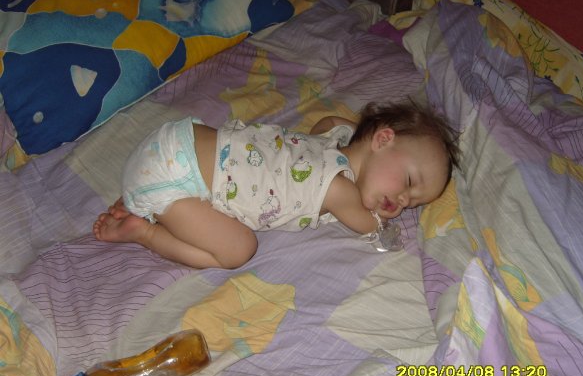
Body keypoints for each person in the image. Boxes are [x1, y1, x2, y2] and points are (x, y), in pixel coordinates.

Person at [93, 100, 460, 269]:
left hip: (174, 144)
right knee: (238, 250)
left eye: (414, 202)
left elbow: (328, 123)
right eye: (409, 182)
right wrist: (382, 220)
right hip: (171, 176)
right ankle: (145, 231)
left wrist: (360, 141)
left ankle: (144, 199)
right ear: (382, 139)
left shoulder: (333, 140)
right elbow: (370, 224)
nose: (402, 200)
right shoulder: (339, 191)